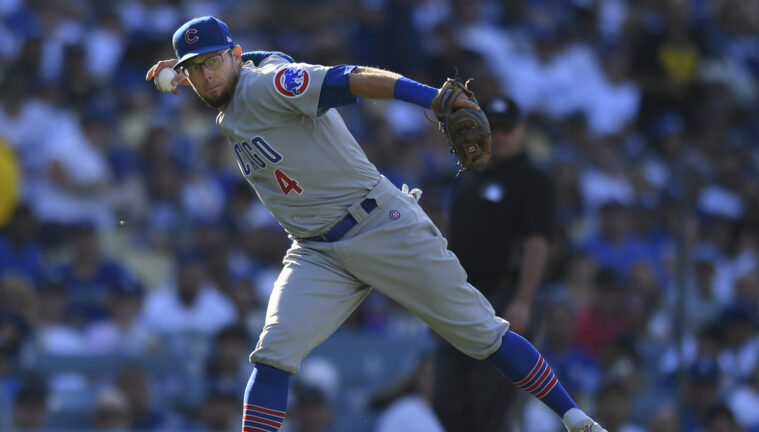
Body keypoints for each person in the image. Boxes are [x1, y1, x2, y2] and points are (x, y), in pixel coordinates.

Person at [146, 16, 606, 432]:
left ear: (236, 55)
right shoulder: (231, 86)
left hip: (381, 224)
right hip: (315, 251)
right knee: (273, 355)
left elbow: (352, 78)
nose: (207, 75)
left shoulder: (266, 85)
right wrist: (189, 72)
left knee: (482, 334)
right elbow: (245, 69)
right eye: (196, 68)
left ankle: (575, 417)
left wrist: (434, 99)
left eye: (214, 62)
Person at [433, 96, 555, 432]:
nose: (500, 136)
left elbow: (537, 242)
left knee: (489, 401)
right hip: (459, 299)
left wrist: (524, 301)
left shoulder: (532, 179)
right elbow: (447, 243)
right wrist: (432, 301)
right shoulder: (468, 177)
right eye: (494, 128)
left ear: (521, 131)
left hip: (503, 298)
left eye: (507, 129)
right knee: (447, 399)